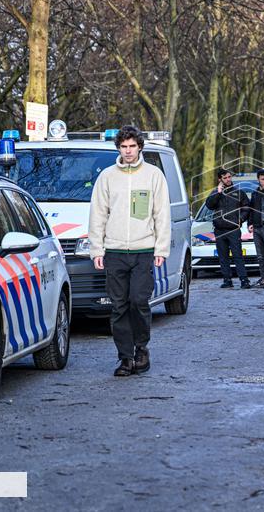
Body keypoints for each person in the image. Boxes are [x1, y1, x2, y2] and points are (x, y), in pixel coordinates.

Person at [88, 125, 171, 377]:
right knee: (119, 306)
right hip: (114, 251)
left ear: (140, 147)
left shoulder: (154, 175)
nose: (128, 151)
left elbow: (161, 214)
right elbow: (98, 214)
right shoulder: (107, 177)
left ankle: (141, 348)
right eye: (123, 147)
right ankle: (125, 358)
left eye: (132, 146)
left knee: (139, 301)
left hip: (143, 249)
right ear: (118, 148)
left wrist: (161, 248)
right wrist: (97, 249)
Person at [205, 168, 251, 289]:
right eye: (225, 178)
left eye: (229, 177)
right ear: (220, 179)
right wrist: (218, 193)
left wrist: (240, 220)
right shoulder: (215, 192)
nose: (228, 179)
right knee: (223, 256)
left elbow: (246, 207)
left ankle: (244, 280)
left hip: (233, 229)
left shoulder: (239, 192)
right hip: (219, 229)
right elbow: (209, 205)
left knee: (238, 255)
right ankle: (227, 280)